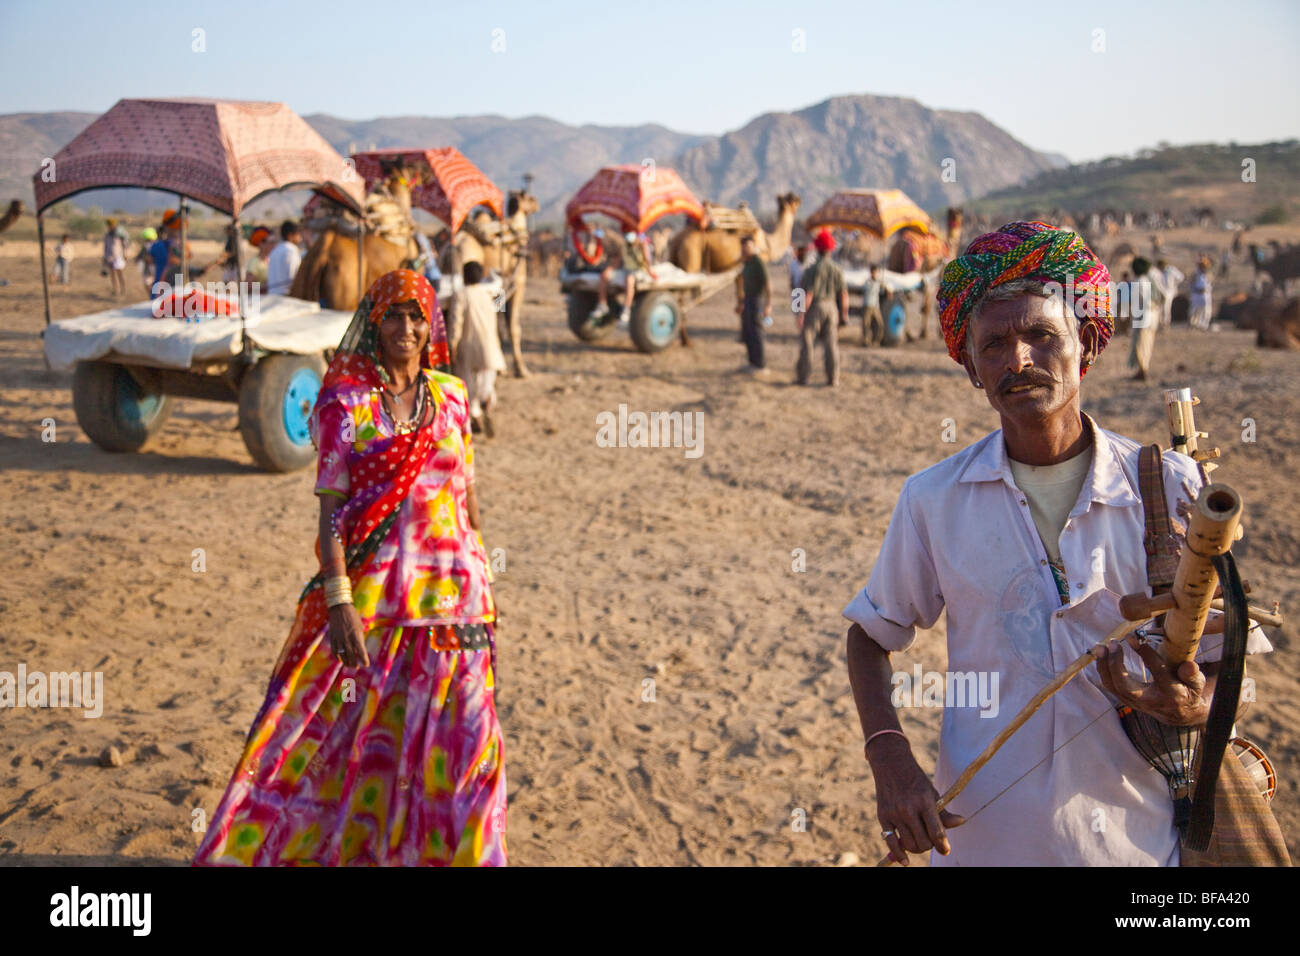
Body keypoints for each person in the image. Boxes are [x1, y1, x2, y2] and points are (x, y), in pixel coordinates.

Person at [844, 221, 1273, 866]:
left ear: (1086, 346)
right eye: (993, 346)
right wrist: (890, 759)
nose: (1017, 360)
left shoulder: (1169, 487)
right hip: (983, 846)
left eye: (1042, 336)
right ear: (970, 368)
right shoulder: (933, 499)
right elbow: (870, 636)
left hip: (1141, 849)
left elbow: (1225, 657)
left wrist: (1195, 702)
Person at [193, 269, 506, 866]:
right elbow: (331, 513)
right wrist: (338, 601)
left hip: (457, 602)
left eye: (417, 316)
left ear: (431, 324)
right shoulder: (346, 403)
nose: (406, 329)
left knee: (468, 744)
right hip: (375, 604)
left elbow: (467, 497)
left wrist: (485, 579)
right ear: (374, 321)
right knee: (349, 742)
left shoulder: (454, 396)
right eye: (394, 315)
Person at [456, 260, 507, 436]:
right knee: (486, 383)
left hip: (469, 347)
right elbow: (501, 307)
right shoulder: (490, 293)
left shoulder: (461, 295)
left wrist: (451, 344)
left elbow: (456, 322)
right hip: (490, 347)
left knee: (468, 384)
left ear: (464, 277)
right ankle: (487, 404)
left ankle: (475, 415)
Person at [795, 228, 847, 386]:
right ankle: (833, 378)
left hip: (814, 307)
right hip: (832, 307)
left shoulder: (811, 269)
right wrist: (844, 314)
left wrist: (800, 314)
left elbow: (807, 293)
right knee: (831, 344)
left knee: (807, 343)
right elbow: (843, 294)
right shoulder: (837, 269)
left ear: (816, 249)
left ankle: (803, 377)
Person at [591, 228, 656, 328]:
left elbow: (647, 260)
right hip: (625, 269)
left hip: (637, 269)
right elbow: (618, 260)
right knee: (604, 276)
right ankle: (602, 305)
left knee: (629, 281)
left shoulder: (641, 244)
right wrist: (610, 269)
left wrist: (650, 271)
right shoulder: (624, 245)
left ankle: (626, 309)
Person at [737, 234, 771, 373]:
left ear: (753, 247)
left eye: (748, 247)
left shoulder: (758, 262)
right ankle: (752, 362)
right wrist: (741, 302)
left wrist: (768, 304)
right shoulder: (747, 263)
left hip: (758, 300)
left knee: (757, 332)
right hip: (748, 300)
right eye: (744, 247)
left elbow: (768, 284)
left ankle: (760, 364)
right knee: (749, 332)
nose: (746, 250)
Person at [1126, 257, 1164, 381]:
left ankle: (1142, 371)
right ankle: (1142, 369)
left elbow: (1144, 301)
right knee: (1146, 344)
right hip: (1152, 316)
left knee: (1141, 344)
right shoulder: (1150, 279)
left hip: (1144, 317)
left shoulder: (1140, 281)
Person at [267, 220, 303, 295]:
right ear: (290, 235)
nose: (300, 238)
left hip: (272, 296)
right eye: (298, 234)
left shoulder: (275, 251)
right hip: (285, 297)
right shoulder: (291, 251)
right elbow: (292, 278)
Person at [101, 218, 128, 296]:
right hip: (110, 257)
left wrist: (125, 254)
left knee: (120, 273)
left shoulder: (119, 235)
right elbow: (106, 247)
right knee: (113, 274)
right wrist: (104, 257)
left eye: (111, 225)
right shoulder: (107, 235)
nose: (109, 227)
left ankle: (123, 289)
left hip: (119, 256)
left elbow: (124, 245)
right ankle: (115, 290)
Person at [861, 264, 883, 346]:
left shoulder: (878, 282)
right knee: (866, 325)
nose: (874, 274)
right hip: (868, 305)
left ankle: (876, 341)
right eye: (873, 272)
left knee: (880, 324)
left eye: (876, 272)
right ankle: (866, 341)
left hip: (875, 306)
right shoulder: (868, 282)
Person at [1189, 257, 1213, 330]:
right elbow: (1191, 284)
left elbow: (1210, 283)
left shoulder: (1208, 274)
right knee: (1195, 310)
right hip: (1196, 294)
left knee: (1206, 311)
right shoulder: (1195, 274)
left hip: (1206, 294)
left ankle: (1204, 325)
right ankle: (1194, 324)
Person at [1158, 258, 1183, 327]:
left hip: (1169, 291)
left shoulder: (1171, 270)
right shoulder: (1158, 271)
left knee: (1166, 307)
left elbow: (1181, 277)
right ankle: (1160, 322)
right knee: (1160, 307)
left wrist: (1174, 285)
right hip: (1161, 290)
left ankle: (1166, 322)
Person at [133, 227, 157, 296]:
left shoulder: (154, 247)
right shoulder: (156, 246)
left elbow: (139, 257)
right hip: (152, 269)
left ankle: (152, 296)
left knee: (148, 284)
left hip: (150, 269)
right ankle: (153, 296)